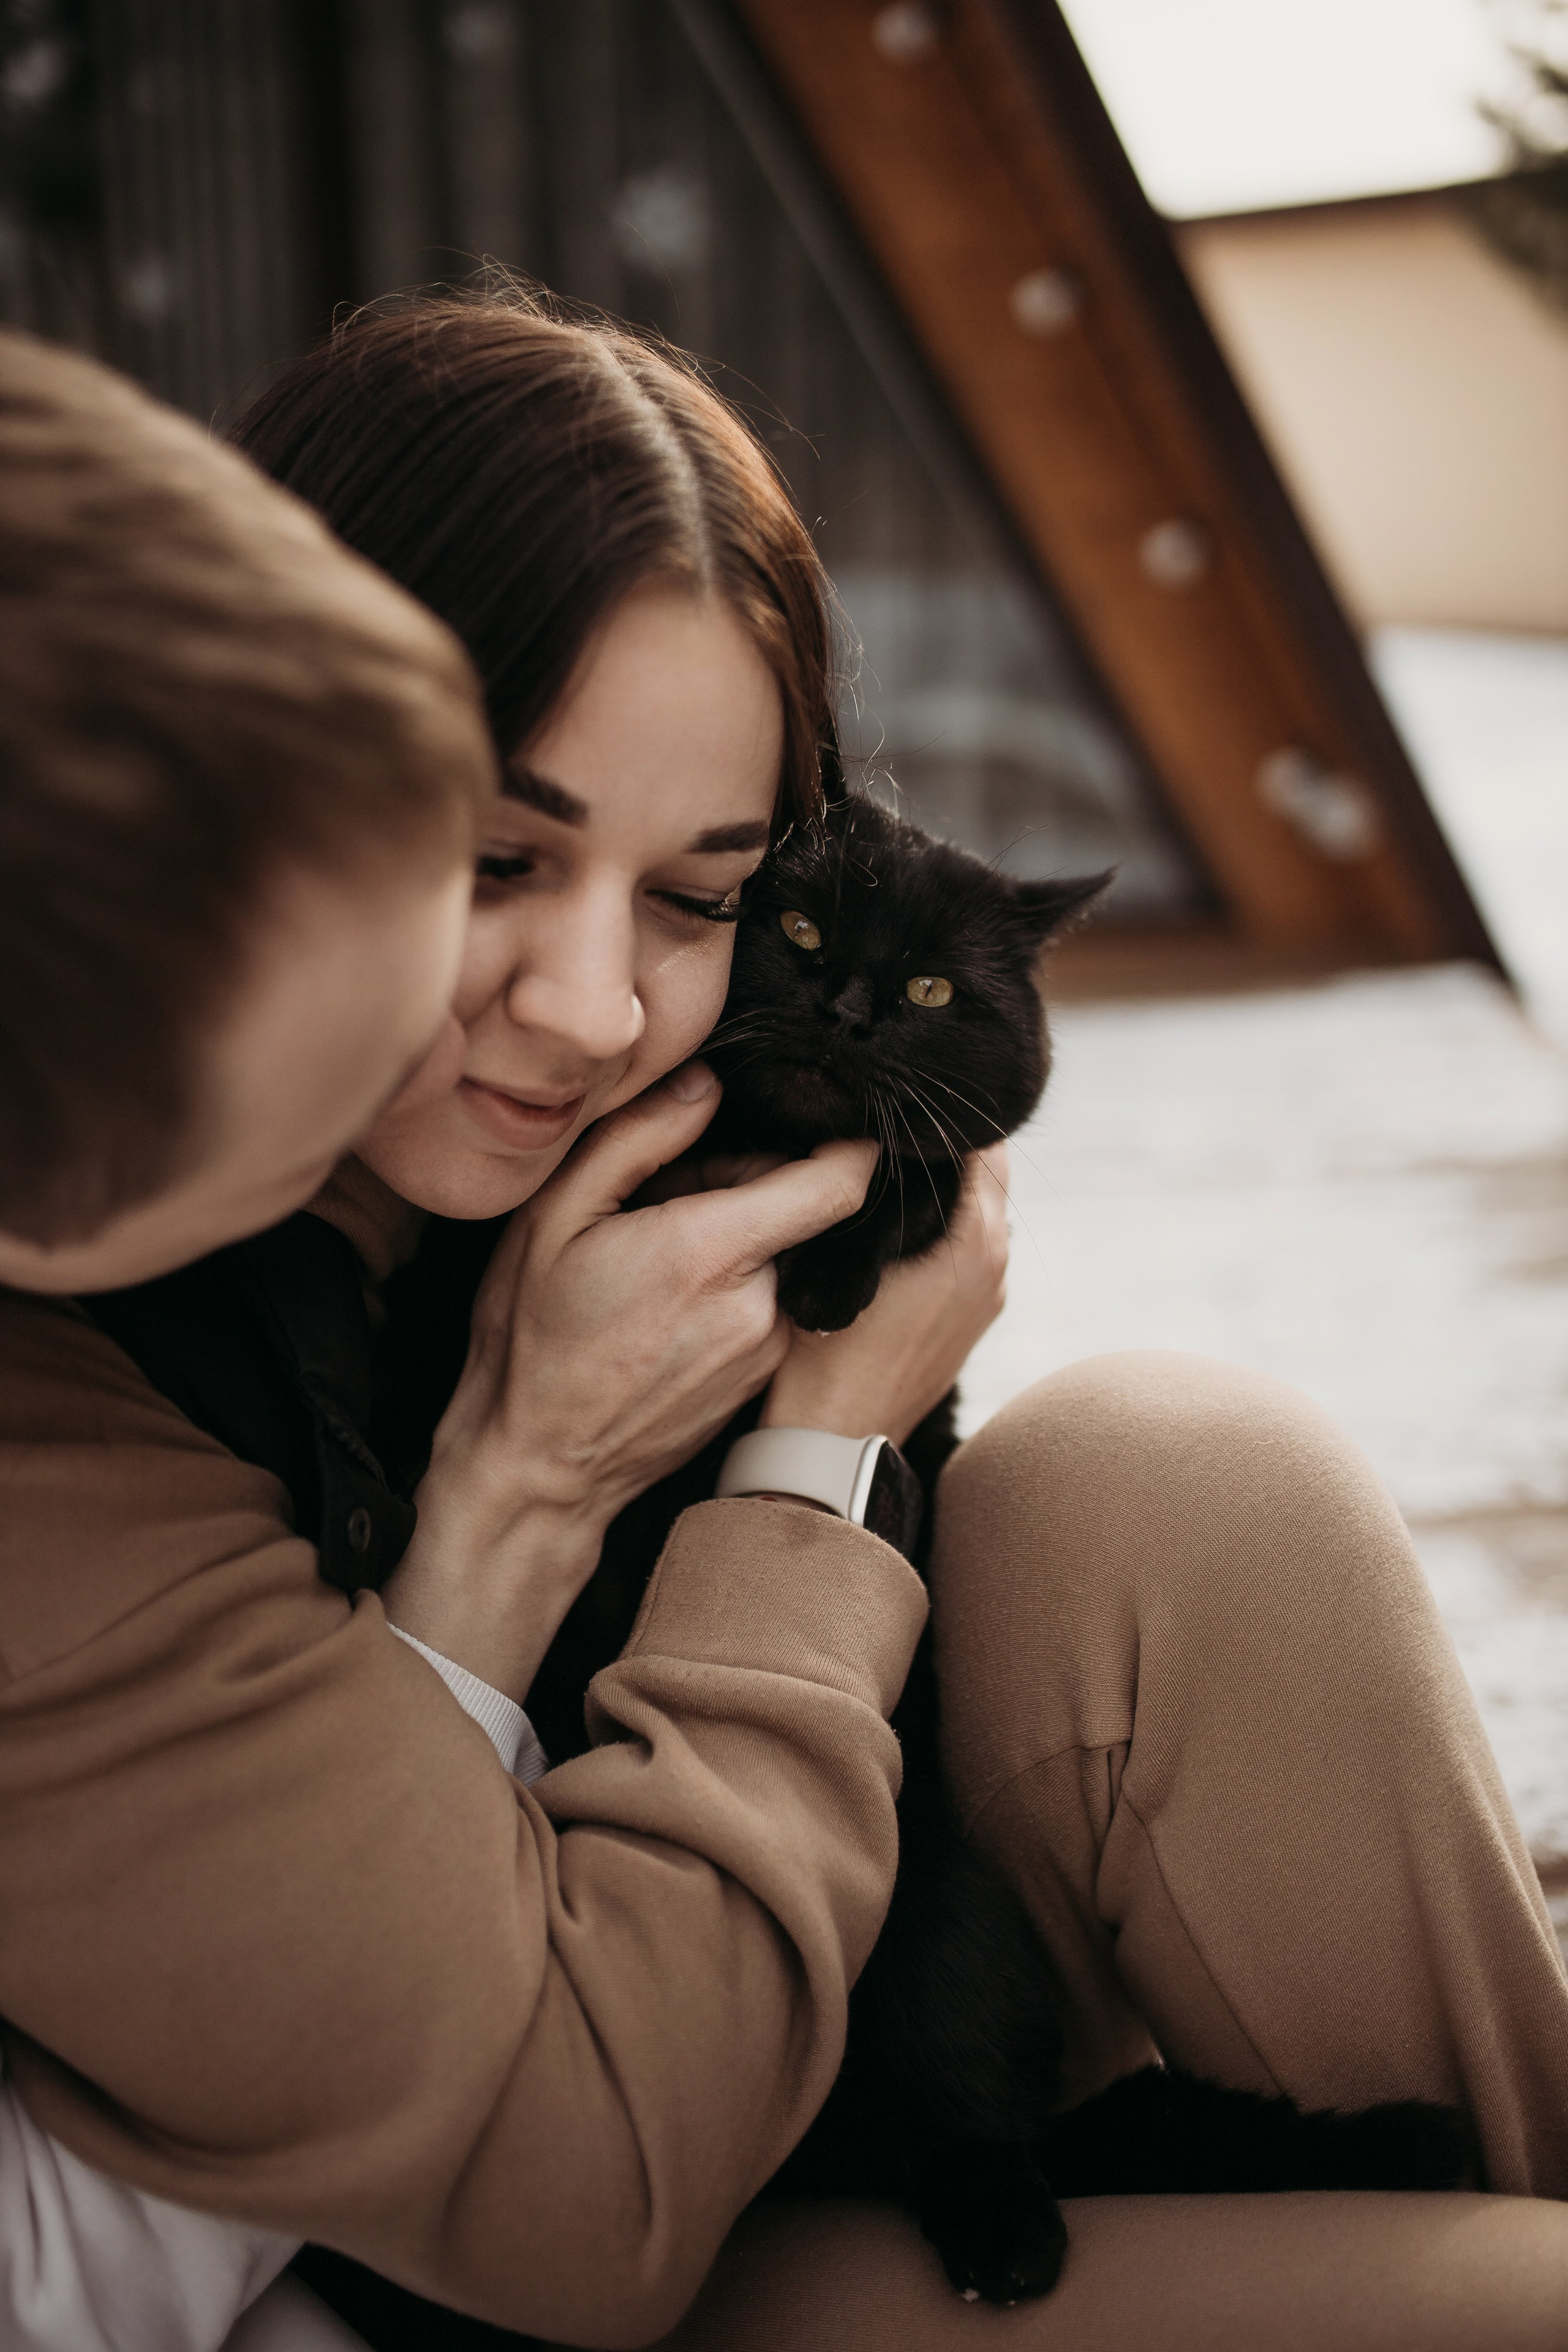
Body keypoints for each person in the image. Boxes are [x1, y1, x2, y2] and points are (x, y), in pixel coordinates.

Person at [2, 292, 1566, 2352]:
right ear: (261, 773)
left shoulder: (593, 1163)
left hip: (789, 2045)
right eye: (498, 854)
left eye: (699, 893)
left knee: (1178, 1477)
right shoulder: (73, 1413)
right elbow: (576, 2202)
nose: (591, 1005)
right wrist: (696, 1475)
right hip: (469, 2253)